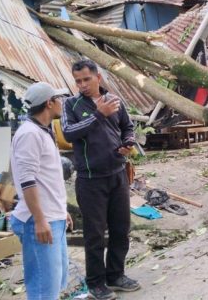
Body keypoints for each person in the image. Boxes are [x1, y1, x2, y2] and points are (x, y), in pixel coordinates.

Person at [61, 60, 140, 299]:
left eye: (86, 79)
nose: (82, 85)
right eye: (78, 81)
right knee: (94, 234)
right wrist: (98, 114)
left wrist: (128, 143)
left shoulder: (115, 100)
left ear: (98, 77)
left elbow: (128, 127)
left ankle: (115, 275)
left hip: (117, 175)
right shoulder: (70, 105)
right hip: (90, 179)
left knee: (120, 229)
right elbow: (68, 133)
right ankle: (95, 283)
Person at [10, 82, 72, 300]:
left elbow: (47, 178)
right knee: (43, 290)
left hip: (52, 216)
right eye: (59, 99)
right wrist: (39, 220)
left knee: (56, 282)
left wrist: (61, 210)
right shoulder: (29, 134)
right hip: (38, 220)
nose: (62, 103)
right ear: (49, 103)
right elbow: (28, 182)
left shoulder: (43, 130)